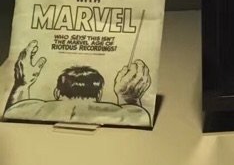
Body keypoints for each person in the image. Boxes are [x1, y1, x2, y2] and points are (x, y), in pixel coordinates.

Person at [4, 40, 153, 127]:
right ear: (99, 94)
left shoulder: (32, 110)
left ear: (57, 92)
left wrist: (21, 85)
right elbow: (139, 119)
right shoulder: (120, 116)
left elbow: (12, 112)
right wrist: (129, 99)